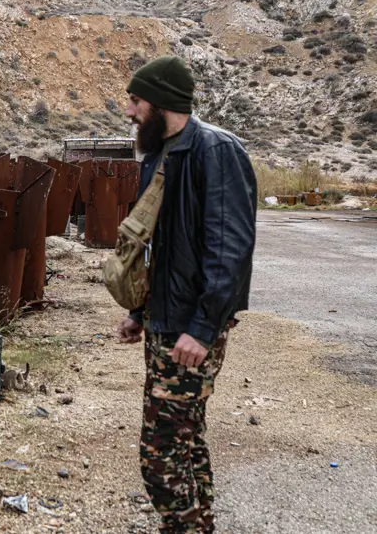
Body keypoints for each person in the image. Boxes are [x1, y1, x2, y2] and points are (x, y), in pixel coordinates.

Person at [116, 56, 258, 534]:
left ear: (159, 101)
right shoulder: (161, 153)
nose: (130, 112)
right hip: (164, 323)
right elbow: (162, 244)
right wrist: (140, 310)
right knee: (186, 440)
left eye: (136, 101)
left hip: (191, 329)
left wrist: (202, 327)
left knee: (159, 457)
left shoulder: (214, 150)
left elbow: (230, 248)